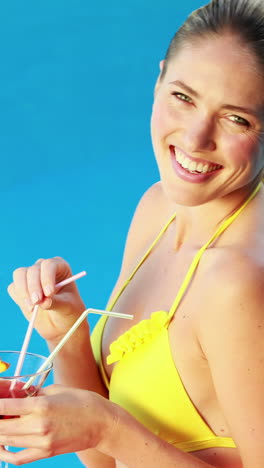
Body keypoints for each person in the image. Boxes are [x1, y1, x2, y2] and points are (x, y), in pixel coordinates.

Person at [2, 0, 264, 466]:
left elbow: (111, 436)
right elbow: (103, 460)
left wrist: (106, 425)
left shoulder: (235, 283)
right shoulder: (158, 207)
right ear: (160, 77)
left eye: (236, 118)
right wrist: (68, 332)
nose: (195, 138)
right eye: (183, 96)